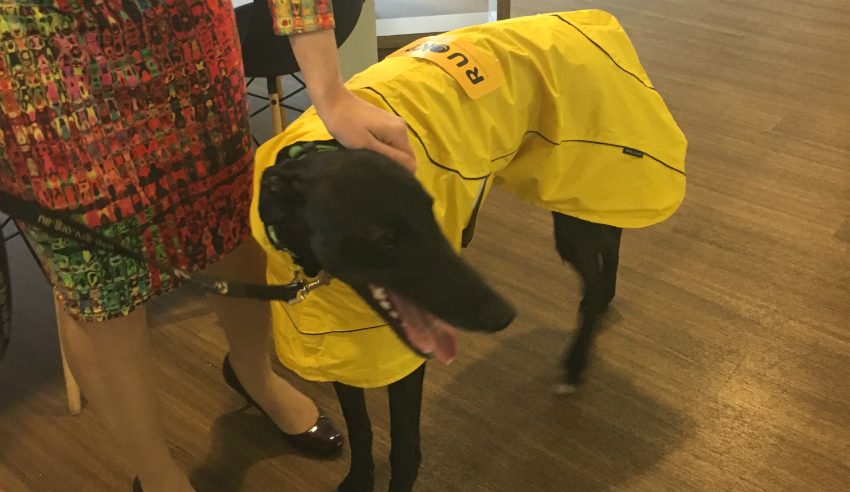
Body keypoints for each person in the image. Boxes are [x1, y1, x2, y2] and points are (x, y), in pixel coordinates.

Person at [0, 1, 414, 491]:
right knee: (99, 289)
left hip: (189, 45)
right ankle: (157, 477)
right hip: (38, 66)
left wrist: (328, 88)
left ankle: (253, 374)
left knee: (230, 228)